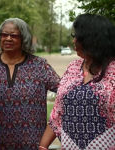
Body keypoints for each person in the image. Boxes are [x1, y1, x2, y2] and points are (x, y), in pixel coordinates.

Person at [0, 18, 60, 150]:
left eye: (14, 35)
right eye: (4, 34)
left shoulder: (39, 66)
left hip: (33, 144)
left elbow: (65, 92)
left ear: (24, 38)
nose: (8, 39)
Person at [39, 13, 115, 150]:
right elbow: (57, 113)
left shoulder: (113, 70)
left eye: (77, 38)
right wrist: (43, 146)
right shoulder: (73, 67)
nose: (74, 41)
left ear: (93, 40)